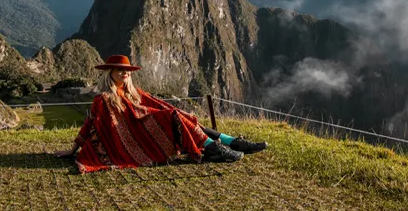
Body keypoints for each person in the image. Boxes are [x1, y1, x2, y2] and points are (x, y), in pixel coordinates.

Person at [55, 55, 267, 173]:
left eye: (126, 70)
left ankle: (230, 143)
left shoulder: (135, 93)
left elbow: (156, 105)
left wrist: (172, 115)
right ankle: (216, 147)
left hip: (144, 130)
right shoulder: (103, 99)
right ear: (109, 72)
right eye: (119, 70)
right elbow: (90, 124)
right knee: (174, 115)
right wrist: (73, 149)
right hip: (130, 141)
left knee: (178, 115)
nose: (124, 73)